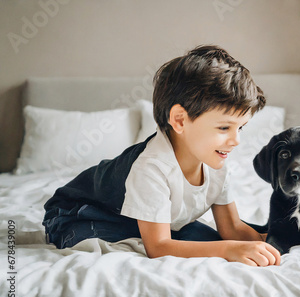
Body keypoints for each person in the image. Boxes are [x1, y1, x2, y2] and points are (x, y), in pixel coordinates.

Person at [42, 45, 281, 267]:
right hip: (79, 213)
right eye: (223, 128)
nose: (236, 140)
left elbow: (232, 229)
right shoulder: (151, 167)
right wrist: (229, 250)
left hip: (140, 218)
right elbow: (158, 248)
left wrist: (275, 242)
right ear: (179, 120)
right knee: (154, 243)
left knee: (201, 236)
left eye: (240, 128)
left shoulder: (216, 161)